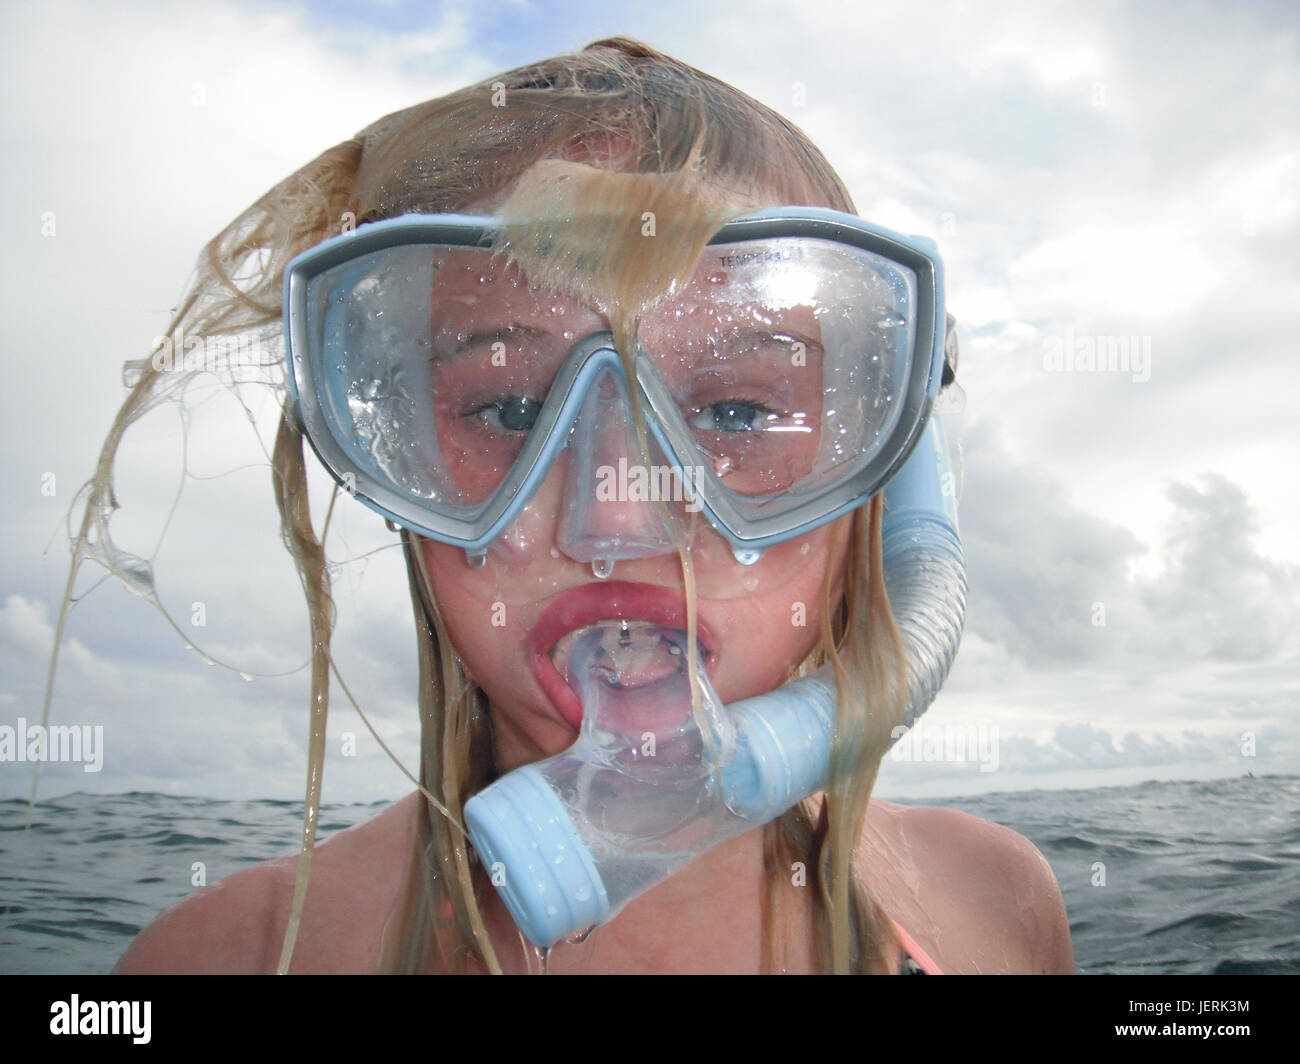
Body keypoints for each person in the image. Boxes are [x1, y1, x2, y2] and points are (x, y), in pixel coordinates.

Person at [103, 38, 1073, 975]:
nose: (616, 522)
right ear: (398, 442)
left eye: (734, 408)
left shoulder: (992, 900)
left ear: (881, 463)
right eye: (511, 408)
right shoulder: (229, 957)